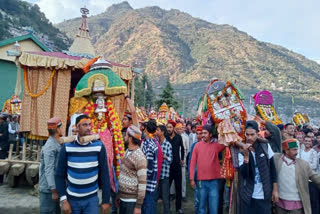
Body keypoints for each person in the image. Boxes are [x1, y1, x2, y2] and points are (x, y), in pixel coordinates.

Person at [55, 115, 111, 214]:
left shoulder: (98, 146)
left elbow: (105, 174)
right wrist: (63, 200)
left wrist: (106, 200)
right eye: (85, 125)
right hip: (72, 199)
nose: (88, 128)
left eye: (90, 124)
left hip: (92, 200)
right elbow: (59, 175)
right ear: (76, 127)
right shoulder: (67, 147)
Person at [239, 120, 279, 214]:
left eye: (252, 134)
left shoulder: (265, 147)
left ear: (257, 134)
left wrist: (275, 190)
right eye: (247, 134)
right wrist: (246, 156)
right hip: (248, 196)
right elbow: (244, 174)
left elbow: (272, 169)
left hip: (264, 195)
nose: (249, 137)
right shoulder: (241, 151)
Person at [274, 139, 320, 214]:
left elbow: (315, 178)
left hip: (297, 205)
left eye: (297, 149)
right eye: (294, 150)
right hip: (280, 203)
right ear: (286, 150)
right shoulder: (276, 160)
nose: (297, 152)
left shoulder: (303, 164)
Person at [189, 125, 225, 214]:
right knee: (201, 208)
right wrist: (191, 178)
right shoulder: (197, 146)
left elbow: (226, 143)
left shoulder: (216, 146)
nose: (203, 135)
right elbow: (192, 162)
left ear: (210, 135)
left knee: (214, 208)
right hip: (201, 182)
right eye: (202, 133)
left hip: (214, 182)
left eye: (205, 133)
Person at [118, 125, 147, 214]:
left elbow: (142, 184)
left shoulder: (140, 157)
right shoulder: (127, 152)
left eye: (126, 135)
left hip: (131, 201)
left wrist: (138, 206)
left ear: (130, 138)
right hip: (123, 198)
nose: (124, 137)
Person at [39, 117, 63, 214]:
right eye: (60, 127)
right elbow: (49, 170)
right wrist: (54, 191)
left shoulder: (56, 143)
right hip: (48, 189)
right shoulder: (50, 146)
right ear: (57, 129)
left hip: (53, 187)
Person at [141, 119, 159, 214]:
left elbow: (149, 166)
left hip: (147, 182)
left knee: (147, 207)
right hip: (151, 181)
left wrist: (142, 179)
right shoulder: (153, 143)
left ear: (146, 130)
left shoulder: (148, 145)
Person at [166, 120, 184, 214]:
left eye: (170, 127)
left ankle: (178, 208)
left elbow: (182, 149)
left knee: (178, 188)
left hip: (177, 166)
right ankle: (167, 207)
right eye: (167, 127)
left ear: (173, 128)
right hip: (168, 167)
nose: (168, 129)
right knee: (167, 188)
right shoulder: (165, 137)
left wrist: (182, 159)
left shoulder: (178, 137)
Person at [154, 125, 172, 214]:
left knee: (165, 198)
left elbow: (170, 160)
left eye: (158, 130)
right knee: (155, 197)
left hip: (164, 175)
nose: (156, 132)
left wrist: (165, 157)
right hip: (156, 175)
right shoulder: (155, 143)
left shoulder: (168, 144)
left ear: (162, 132)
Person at [299, 136, 319, 214]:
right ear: (303, 142)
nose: (307, 142)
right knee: (304, 199)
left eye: (309, 141)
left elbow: (314, 165)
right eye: (306, 141)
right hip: (302, 179)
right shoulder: (300, 151)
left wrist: (303, 168)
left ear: (311, 143)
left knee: (313, 199)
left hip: (311, 180)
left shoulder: (314, 152)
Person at [188, 125, 203, 213]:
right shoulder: (193, 145)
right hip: (196, 175)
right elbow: (190, 161)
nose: (199, 135)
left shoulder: (208, 145)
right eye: (197, 134)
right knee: (197, 199)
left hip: (205, 176)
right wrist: (191, 177)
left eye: (200, 133)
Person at [176, 122, 189, 201]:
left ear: (183, 130)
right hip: (175, 160)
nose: (179, 130)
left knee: (183, 178)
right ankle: (173, 193)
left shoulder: (185, 137)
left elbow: (187, 149)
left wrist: (183, 158)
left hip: (182, 160)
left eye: (180, 129)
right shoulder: (174, 137)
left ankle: (183, 194)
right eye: (177, 129)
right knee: (175, 179)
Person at [0, 113, 9, 184]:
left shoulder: (5, 125)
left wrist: (1, 135)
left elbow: (5, 136)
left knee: (1, 163)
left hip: (3, 146)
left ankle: (1, 180)